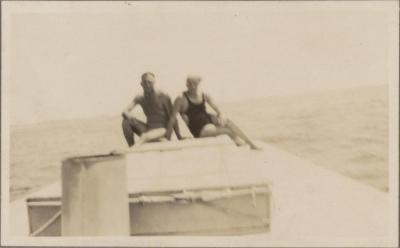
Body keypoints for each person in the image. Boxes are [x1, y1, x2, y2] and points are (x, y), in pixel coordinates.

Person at [165, 75, 261, 150]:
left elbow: (218, 109)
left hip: (209, 123)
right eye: (189, 83)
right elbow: (173, 118)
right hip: (200, 131)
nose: (192, 86)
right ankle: (239, 142)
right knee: (228, 131)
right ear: (186, 84)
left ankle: (249, 143)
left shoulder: (204, 94)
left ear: (199, 83)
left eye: (195, 83)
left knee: (227, 121)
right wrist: (168, 137)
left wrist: (221, 116)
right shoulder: (181, 98)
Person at [121, 72, 182, 147]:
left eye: (150, 82)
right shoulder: (140, 97)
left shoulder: (162, 96)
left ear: (154, 83)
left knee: (144, 136)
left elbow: (172, 117)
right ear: (141, 84)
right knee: (126, 122)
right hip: (148, 128)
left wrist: (179, 136)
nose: (147, 85)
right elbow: (125, 111)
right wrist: (129, 115)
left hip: (162, 130)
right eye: (145, 82)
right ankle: (131, 146)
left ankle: (134, 149)